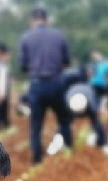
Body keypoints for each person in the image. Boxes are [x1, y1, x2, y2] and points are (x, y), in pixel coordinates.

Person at [19, 6, 72, 164]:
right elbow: (67, 61)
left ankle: (37, 157)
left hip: (37, 85)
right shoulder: (59, 35)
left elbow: (23, 66)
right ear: (47, 20)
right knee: (64, 119)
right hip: (56, 83)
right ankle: (69, 150)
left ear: (32, 21)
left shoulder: (26, 38)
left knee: (36, 124)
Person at [60, 68, 108, 155]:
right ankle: (65, 143)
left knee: (96, 122)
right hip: (73, 101)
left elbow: (96, 110)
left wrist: (99, 111)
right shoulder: (66, 100)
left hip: (86, 99)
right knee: (65, 123)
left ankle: (104, 144)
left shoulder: (91, 97)